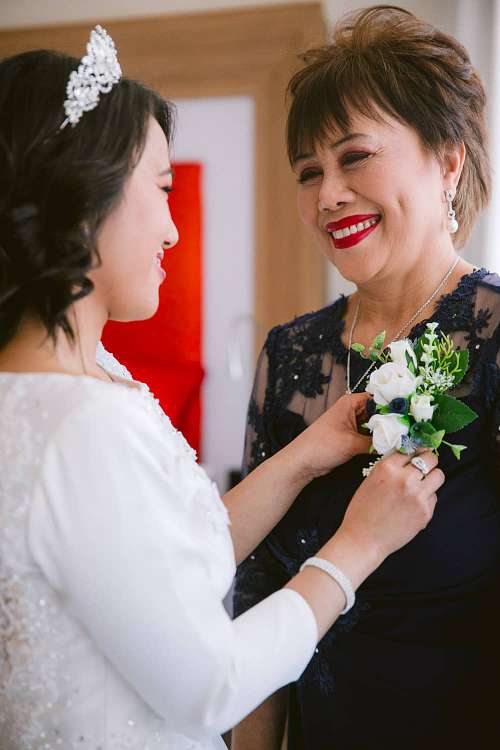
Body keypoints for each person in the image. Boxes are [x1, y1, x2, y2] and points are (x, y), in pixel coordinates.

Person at [0, 26, 444, 750]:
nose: (173, 230)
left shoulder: (84, 379)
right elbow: (212, 685)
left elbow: (173, 553)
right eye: (162, 188)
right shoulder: (79, 423)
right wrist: (359, 545)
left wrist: (307, 454)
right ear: (82, 198)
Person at [232, 6, 500, 750]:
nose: (328, 195)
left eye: (355, 158)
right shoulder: (291, 353)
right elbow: (256, 586)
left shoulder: (494, 334)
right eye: (309, 172)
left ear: (448, 161)